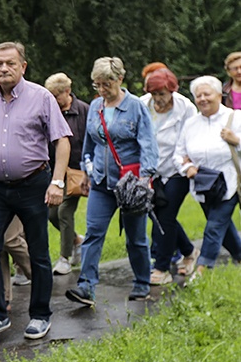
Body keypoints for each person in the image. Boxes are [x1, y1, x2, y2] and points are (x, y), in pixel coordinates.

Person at [0, 42, 72, 341]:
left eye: (10, 63)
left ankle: (40, 315)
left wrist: (57, 182)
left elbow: (62, 140)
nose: (4, 68)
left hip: (34, 185)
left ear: (22, 66)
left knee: (38, 252)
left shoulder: (41, 97)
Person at [64, 57, 157, 308]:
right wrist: (85, 171)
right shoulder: (96, 107)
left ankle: (141, 282)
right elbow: (90, 143)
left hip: (130, 185)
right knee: (93, 233)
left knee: (135, 238)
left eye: (107, 84)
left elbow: (148, 144)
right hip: (101, 183)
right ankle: (86, 286)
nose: (102, 90)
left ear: (120, 80)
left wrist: (145, 179)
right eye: (97, 85)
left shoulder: (136, 107)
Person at [176, 75, 241, 279]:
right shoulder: (191, 124)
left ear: (219, 95)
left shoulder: (235, 118)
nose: (202, 99)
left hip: (230, 181)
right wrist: (187, 167)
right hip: (203, 185)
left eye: (207, 94)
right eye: (198, 95)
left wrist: (236, 140)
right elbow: (178, 153)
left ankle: (202, 270)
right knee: (223, 226)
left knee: (214, 226)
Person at [139, 67, 198, 284]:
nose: (158, 99)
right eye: (154, 94)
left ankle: (162, 268)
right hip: (151, 169)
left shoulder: (186, 108)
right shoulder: (143, 104)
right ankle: (189, 251)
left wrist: (187, 162)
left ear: (173, 90)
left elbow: (192, 137)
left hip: (177, 169)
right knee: (159, 214)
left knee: (165, 215)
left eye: (162, 94)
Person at [44, 73, 90, 275]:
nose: (53, 100)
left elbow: (91, 140)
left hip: (77, 173)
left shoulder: (83, 111)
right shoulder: (49, 112)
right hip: (55, 172)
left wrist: (88, 169)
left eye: (56, 95)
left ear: (67, 92)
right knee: (51, 213)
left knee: (64, 212)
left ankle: (65, 258)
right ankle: (77, 241)